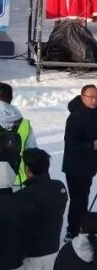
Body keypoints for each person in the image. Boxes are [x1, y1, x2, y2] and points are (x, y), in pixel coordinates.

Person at [17, 148, 67, 269]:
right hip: (53, 249)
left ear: (28, 170)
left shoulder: (23, 195)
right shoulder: (59, 187)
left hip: (31, 254)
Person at [64, 84, 97, 239]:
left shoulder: (94, 114)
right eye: (91, 97)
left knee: (83, 197)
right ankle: (73, 230)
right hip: (75, 166)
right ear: (83, 97)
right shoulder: (75, 117)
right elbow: (71, 142)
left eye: (96, 97)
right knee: (78, 200)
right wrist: (92, 145)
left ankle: (80, 228)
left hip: (89, 165)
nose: (94, 100)